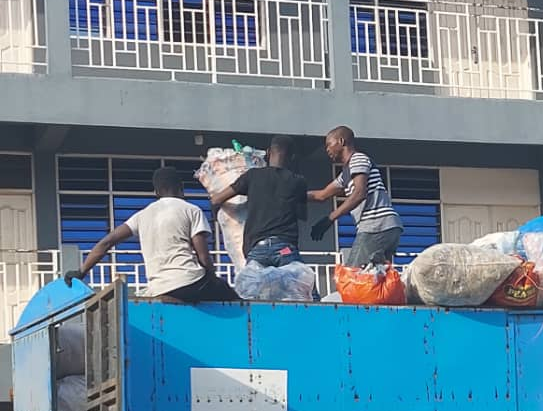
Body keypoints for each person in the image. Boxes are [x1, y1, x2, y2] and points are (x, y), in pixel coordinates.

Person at [65, 167, 238, 302]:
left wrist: (81, 272)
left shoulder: (141, 215)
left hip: (158, 287)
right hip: (190, 282)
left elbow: (106, 242)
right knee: (231, 296)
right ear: (181, 188)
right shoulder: (191, 210)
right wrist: (211, 277)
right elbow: (203, 257)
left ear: (156, 192)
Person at [307, 126, 403, 267]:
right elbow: (322, 195)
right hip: (387, 227)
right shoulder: (346, 173)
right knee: (374, 280)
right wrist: (292, 193)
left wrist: (329, 219)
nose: (327, 150)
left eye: (329, 144)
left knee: (352, 277)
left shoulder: (358, 159)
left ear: (341, 141)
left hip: (376, 225)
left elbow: (359, 193)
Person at [210, 135, 308, 268]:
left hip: (257, 250)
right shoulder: (298, 181)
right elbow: (302, 215)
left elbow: (217, 199)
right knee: (303, 285)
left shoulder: (253, 176)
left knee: (253, 287)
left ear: (268, 152)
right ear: (292, 157)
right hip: (285, 250)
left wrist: (216, 215)